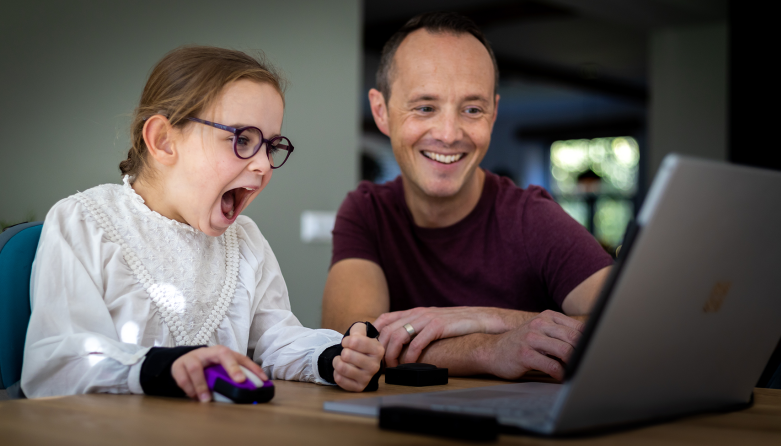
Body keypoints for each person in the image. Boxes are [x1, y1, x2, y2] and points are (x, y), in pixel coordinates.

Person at [22, 46, 384, 400]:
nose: (264, 165)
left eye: (271, 147)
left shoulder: (246, 242)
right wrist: (163, 367)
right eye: (242, 139)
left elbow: (277, 340)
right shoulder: (84, 222)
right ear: (163, 141)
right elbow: (59, 363)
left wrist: (332, 357)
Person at [321, 13, 613, 381]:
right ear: (381, 111)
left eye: (472, 109)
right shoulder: (367, 210)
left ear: (492, 114)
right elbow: (353, 345)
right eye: (425, 107)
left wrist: (490, 317)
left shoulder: (531, 218)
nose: (448, 133)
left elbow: (635, 330)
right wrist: (489, 348)